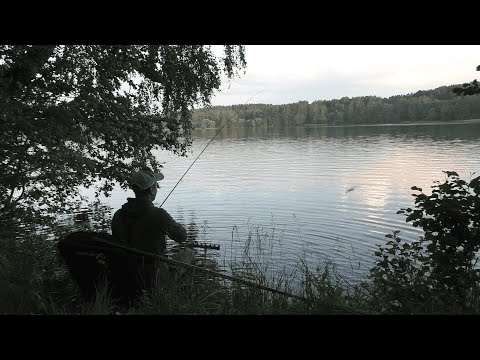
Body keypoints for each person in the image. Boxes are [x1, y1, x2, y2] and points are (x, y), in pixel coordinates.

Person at [111, 167, 195, 286]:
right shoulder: (159, 214)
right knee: (189, 253)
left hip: (128, 275)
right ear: (151, 189)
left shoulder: (118, 215)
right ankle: (178, 294)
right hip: (154, 278)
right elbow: (182, 237)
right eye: (156, 186)